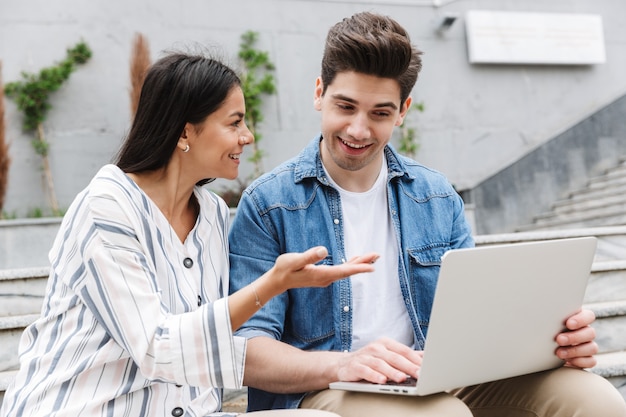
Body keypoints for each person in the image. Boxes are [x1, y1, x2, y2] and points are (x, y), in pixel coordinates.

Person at [228, 11, 626, 417]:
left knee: (598, 401)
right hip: (327, 384)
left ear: (403, 111)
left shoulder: (436, 196)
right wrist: (345, 364)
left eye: (380, 113)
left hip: (432, 376)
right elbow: (248, 352)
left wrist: (554, 342)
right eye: (345, 106)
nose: (359, 130)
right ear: (319, 93)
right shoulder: (268, 203)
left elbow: (477, 318)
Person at [0, 50, 379, 417]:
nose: (247, 136)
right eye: (234, 123)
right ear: (185, 131)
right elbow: (158, 347)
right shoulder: (106, 209)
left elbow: (211, 346)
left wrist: (344, 366)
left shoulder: (212, 212)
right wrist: (273, 284)